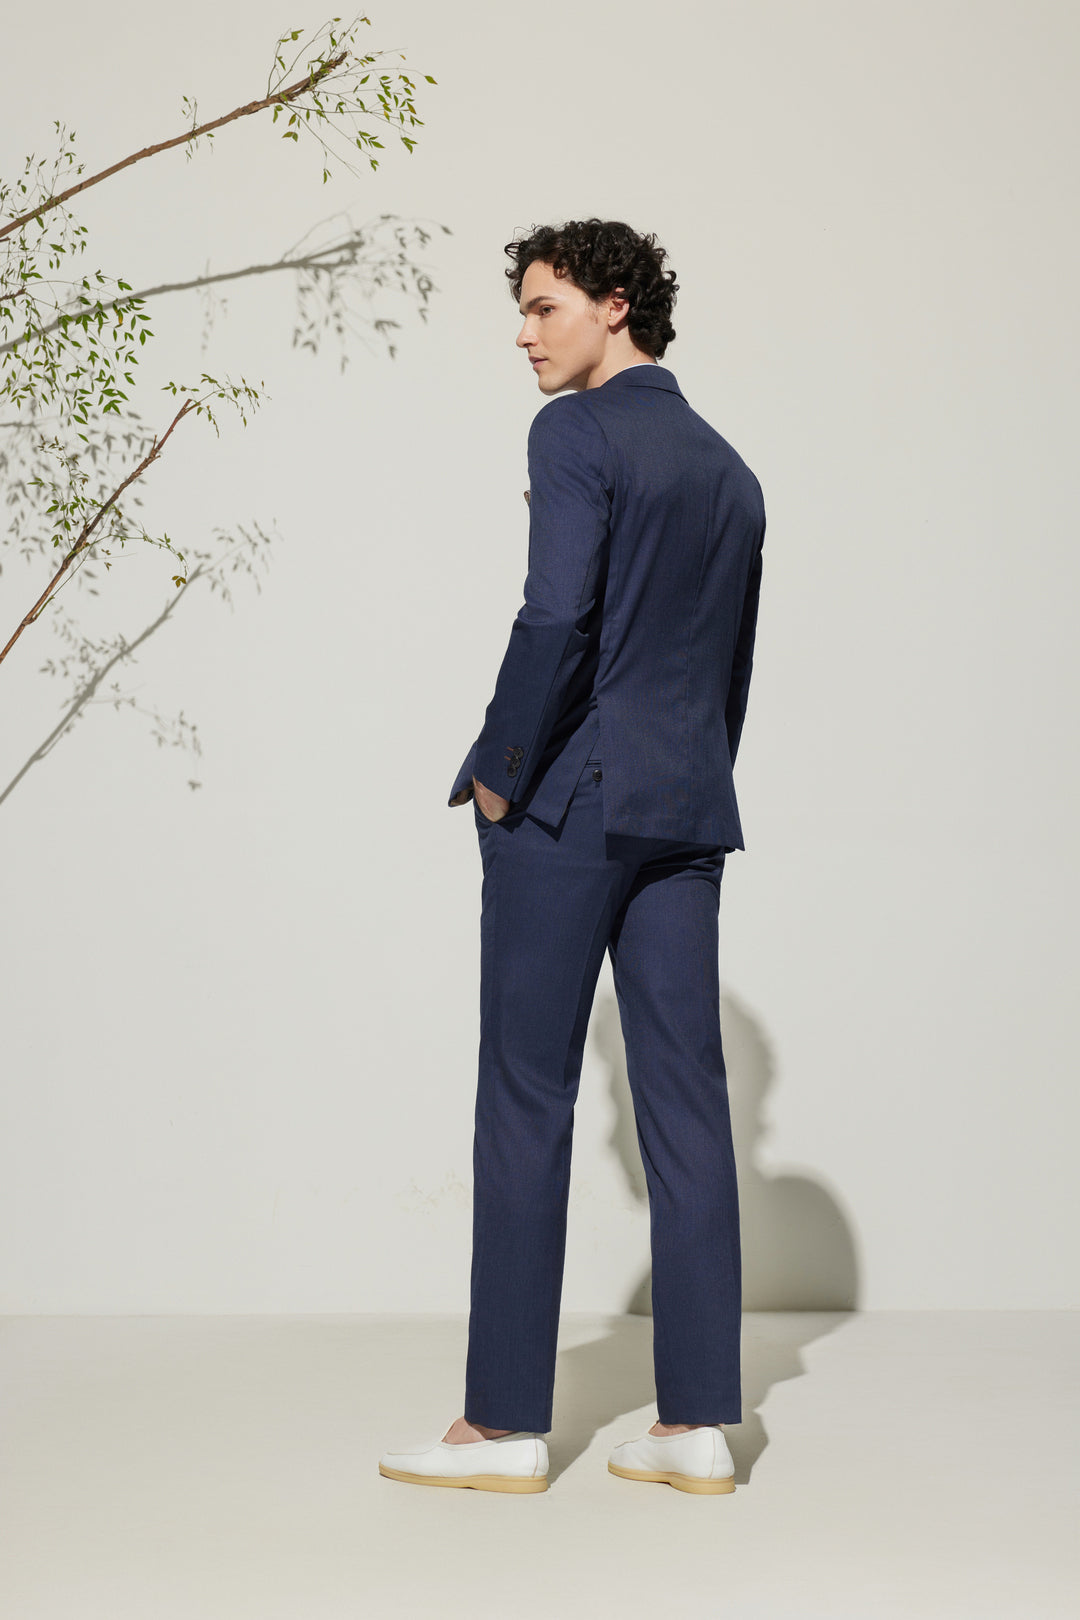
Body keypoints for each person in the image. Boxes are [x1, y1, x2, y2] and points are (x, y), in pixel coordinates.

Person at [379, 218, 766, 1495]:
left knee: (526, 1093)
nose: (525, 335)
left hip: (570, 804)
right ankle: (698, 1425)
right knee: (688, 1105)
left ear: (615, 307)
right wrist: (692, 778)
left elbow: (554, 616)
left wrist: (500, 770)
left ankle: (500, 1429)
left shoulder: (575, 434)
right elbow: (726, 669)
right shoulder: (730, 470)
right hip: (687, 806)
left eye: (545, 307)